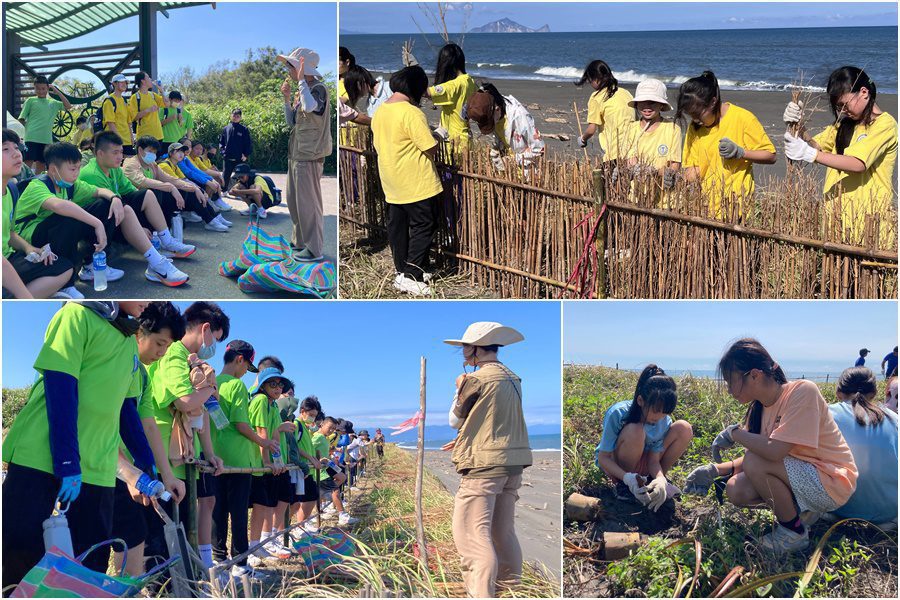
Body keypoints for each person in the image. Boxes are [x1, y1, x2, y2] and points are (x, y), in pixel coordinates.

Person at [1, 301, 154, 590]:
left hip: (97, 470)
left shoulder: (128, 343)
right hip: (41, 461)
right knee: (21, 562)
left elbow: (126, 410)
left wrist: (146, 463)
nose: (149, 302)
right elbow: (61, 385)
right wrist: (67, 461)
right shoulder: (76, 314)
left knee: (87, 570)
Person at [684, 338, 857, 555]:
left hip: (831, 482)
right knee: (736, 489)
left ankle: (793, 532)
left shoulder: (802, 391)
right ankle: (803, 513)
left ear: (754, 375)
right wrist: (714, 470)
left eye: (730, 382)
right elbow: (760, 456)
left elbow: (772, 453)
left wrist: (734, 434)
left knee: (755, 460)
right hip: (802, 476)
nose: (729, 390)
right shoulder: (760, 408)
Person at [441, 322, 532, 598]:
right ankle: (510, 591)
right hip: (512, 464)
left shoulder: (476, 379)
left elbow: (454, 420)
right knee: (503, 533)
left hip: (483, 467)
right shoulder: (512, 377)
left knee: (472, 536)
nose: (463, 354)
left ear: (475, 349)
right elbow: (496, 419)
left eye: (465, 348)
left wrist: (459, 388)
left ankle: (480, 594)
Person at [13, 141, 178, 288]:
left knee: (105, 204)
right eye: (72, 169)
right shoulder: (37, 185)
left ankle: (93, 266)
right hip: (31, 238)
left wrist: (114, 198)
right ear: (54, 168)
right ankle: (68, 283)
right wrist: (97, 224)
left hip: (56, 233)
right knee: (71, 216)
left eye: (78, 168)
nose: (77, 173)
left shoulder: (70, 185)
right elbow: (60, 206)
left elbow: (99, 191)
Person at [144, 302, 229, 571]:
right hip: (157, 456)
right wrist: (210, 388)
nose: (212, 347)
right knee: (156, 539)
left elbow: (199, 412)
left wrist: (210, 454)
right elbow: (186, 400)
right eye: (214, 340)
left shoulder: (192, 361)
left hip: (175, 459)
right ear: (205, 329)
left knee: (172, 533)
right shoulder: (174, 353)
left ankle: (179, 586)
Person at [111, 302, 188, 577]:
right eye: (159, 343)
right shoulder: (118, 358)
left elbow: (149, 425)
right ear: (138, 332)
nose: (161, 352)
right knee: (99, 545)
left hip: (129, 472)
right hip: (106, 466)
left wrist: (166, 474)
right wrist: (128, 472)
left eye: (166, 347)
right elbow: (101, 421)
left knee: (134, 535)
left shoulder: (142, 374)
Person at [783, 66, 897, 244]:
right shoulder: (843, 125)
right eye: (838, 107)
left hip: (869, 229)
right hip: (837, 225)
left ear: (864, 92)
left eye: (845, 104)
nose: (843, 111)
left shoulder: (885, 125)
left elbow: (857, 163)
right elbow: (817, 146)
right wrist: (799, 124)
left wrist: (810, 154)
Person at [371, 66, 442, 297]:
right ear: (415, 88)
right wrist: (439, 135)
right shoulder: (411, 113)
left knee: (398, 226)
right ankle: (411, 275)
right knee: (424, 225)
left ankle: (403, 271)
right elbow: (429, 147)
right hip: (416, 181)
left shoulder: (381, 111)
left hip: (391, 179)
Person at [212, 340, 279, 578]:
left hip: (214, 457)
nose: (244, 373)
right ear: (240, 360)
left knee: (217, 512)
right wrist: (264, 442)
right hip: (238, 461)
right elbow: (241, 424)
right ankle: (240, 565)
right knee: (238, 514)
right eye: (246, 366)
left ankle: (219, 561)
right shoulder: (236, 386)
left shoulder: (212, 381)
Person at [78, 131, 197, 265]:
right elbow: (117, 203)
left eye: (121, 152)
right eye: (115, 153)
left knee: (147, 195)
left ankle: (167, 241)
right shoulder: (93, 174)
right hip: (99, 224)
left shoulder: (114, 168)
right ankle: (156, 260)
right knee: (123, 205)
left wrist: (187, 187)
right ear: (100, 153)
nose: (120, 156)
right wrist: (138, 227)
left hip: (114, 217)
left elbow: (131, 191)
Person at [676, 71, 776, 219]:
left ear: (713, 101)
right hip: (706, 208)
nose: (695, 120)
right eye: (691, 115)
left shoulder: (742, 118)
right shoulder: (695, 127)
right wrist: (677, 178)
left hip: (738, 208)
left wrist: (741, 152)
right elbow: (695, 168)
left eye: (698, 114)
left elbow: (771, 155)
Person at [594, 365, 692, 509]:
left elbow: (653, 460)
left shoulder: (663, 421)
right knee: (636, 430)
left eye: (664, 413)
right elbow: (603, 458)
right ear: (640, 401)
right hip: (618, 464)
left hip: (644, 463)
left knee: (684, 428)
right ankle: (623, 485)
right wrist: (627, 478)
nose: (659, 418)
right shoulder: (618, 414)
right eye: (655, 411)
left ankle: (652, 483)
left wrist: (660, 478)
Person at [2, 129, 76, 299]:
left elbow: (10, 233)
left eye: (16, 147)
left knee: (65, 268)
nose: (16, 154)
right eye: (5, 149)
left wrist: (29, 249)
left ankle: (12, 297)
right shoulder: (36, 185)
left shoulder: (11, 191)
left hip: (10, 258)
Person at [826, 367, 897, 529]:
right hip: (888, 513)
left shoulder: (826, 414)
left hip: (839, 508)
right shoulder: (894, 419)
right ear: (874, 394)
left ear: (838, 392)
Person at [278, 48, 332, 262]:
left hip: (310, 155)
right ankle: (300, 242)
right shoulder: (304, 90)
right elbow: (292, 121)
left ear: (302, 67)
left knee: (308, 203)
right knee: (294, 201)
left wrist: (300, 82)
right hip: (297, 153)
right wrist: (287, 98)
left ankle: (313, 249)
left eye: (290, 66)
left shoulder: (318, 89)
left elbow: (310, 107)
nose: (288, 70)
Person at [123, 136, 224, 235]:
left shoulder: (152, 164)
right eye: (150, 151)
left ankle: (209, 219)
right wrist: (171, 187)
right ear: (140, 150)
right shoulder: (130, 163)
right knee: (159, 191)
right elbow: (142, 181)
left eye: (154, 152)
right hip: (136, 202)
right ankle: (165, 232)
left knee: (188, 190)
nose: (153, 155)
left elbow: (172, 179)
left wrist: (195, 188)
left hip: (151, 199)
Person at [247, 367, 296, 566]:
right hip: (259, 463)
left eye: (280, 384)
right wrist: (266, 461)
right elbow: (261, 433)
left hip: (271, 463)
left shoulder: (272, 405)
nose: (277, 388)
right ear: (262, 385)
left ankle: (260, 545)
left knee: (267, 505)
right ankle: (253, 548)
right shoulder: (259, 400)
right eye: (272, 384)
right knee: (260, 506)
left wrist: (277, 461)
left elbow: (273, 435)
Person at [622, 78, 683, 204]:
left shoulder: (672, 129)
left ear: (661, 105)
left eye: (652, 102)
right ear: (637, 104)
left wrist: (655, 172)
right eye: (642, 102)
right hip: (637, 197)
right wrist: (636, 168)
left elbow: (675, 165)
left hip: (664, 200)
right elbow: (629, 161)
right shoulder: (630, 129)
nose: (647, 107)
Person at [464, 82, 544, 171]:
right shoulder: (497, 115)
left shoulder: (520, 117)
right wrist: (497, 150)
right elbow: (504, 140)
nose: (492, 126)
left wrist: (513, 160)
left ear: (497, 109)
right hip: (510, 173)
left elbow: (539, 150)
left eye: (490, 123)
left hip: (528, 175)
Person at [158, 142, 232, 232]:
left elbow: (186, 179)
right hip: (166, 197)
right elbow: (179, 182)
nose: (182, 153)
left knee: (199, 192)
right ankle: (210, 220)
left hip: (176, 193)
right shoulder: (165, 165)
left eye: (182, 151)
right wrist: (197, 189)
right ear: (171, 153)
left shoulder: (175, 164)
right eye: (178, 151)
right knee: (194, 195)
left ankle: (213, 218)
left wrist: (199, 189)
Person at [575, 60, 634, 163]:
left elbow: (591, 129)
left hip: (614, 152)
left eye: (589, 80)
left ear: (596, 79)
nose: (590, 83)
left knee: (606, 178)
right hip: (634, 150)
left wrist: (582, 139)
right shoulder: (625, 93)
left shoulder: (596, 97)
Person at [17, 75, 73, 173]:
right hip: (31, 137)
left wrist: (57, 91)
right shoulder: (30, 100)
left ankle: (37, 186)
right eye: (37, 88)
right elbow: (21, 119)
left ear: (48, 88)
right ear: (34, 88)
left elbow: (68, 106)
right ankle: (22, 185)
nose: (40, 91)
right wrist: (21, 136)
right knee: (26, 165)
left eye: (43, 88)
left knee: (42, 166)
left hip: (46, 139)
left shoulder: (54, 103)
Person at [427, 43, 476, 150]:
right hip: (467, 138)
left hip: (454, 142)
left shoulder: (453, 86)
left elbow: (427, 93)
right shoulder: (470, 81)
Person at [312, 416, 356, 527]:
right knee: (335, 491)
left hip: (328, 466)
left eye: (334, 428)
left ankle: (323, 495)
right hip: (320, 470)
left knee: (342, 478)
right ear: (322, 424)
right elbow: (309, 449)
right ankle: (342, 515)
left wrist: (331, 457)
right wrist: (316, 459)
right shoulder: (317, 437)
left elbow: (326, 450)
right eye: (330, 427)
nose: (332, 430)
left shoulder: (325, 438)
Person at [100, 74, 136, 155]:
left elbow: (128, 122)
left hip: (127, 141)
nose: (124, 84)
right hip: (114, 141)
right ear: (114, 84)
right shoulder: (109, 101)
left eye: (126, 83)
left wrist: (131, 138)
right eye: (121, 82)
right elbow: (110, 123)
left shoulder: (124, 100)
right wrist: (118, 140)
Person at [128, 72, 167, 142]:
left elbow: (167, 104)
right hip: (144, 136)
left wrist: (161, 90)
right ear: (143, 81)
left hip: (158, 135)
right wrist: (148, 110)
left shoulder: (153, 95)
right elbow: (133, 117)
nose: (151, 79)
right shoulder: (135, 97)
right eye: (148, 77)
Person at [219, 108, 252, 187]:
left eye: (237, 116)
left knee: (240, 175)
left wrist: (246, 155)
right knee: (225, 175)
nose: (235, 117)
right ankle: (224, 190)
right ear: (231, 116)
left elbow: (248, 143)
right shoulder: (226, 128)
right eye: (234, 115)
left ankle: (237, 190)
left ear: (240, 118)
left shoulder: (244, 129)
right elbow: (221, 142)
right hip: (227, 157)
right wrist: (223, 152)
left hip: (239, 157)